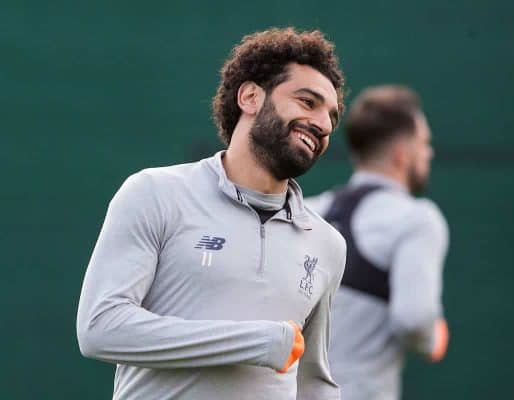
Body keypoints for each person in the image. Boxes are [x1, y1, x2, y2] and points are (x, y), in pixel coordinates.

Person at [76, 27, 347, 400]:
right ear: (250, 97)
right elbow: (100, 329)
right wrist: (255, 342)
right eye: (307, 102)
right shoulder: (155, 193)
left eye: (332, 116)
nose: (324, 124)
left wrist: (270, 346)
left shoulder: (327, 244)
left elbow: (313, 381)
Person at [305, 85, 450, 400]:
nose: (430, 152)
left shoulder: (309, 211)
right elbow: (414, 320)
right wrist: (434, 338)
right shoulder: (417, 220)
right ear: (403, 153)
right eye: (424, 143)